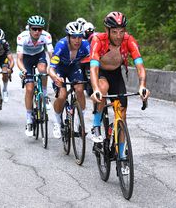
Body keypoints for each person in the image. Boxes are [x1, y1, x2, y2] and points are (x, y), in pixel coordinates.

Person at [90, 11, 151, 143]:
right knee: (103, 88)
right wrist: (95, 89)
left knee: (122, 116)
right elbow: (93, 67)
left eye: (121, 31)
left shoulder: (129, 40)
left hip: (116, 74)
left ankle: (122, 155)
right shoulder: (98, 40)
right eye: (114, 32)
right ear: (107, 30)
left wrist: (142, 86)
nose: (119, 36)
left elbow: (140, 66)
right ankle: (96, 125)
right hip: (101, 73)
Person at [48, 21, 90, 139]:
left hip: (73, 68)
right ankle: (57, 122)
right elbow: (51, 69)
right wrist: (56, 77)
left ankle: (80, 122)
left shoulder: (86, 45)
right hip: (59, 69)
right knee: (62, 95)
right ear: (68, 37)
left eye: (80, 37)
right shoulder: (61, 45)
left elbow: (95, 61)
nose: (77, 40)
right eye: (74, 37)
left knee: (80, 89)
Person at [17, 15, 54, 137]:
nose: (37, 31)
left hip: (39, 55)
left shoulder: (46, 36)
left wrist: (54, 68)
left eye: (39, 29)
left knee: (43, 70)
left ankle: (44, 94)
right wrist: (23, 70)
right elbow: (19, 59)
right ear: (29, 28)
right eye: (34, 29)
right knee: (29, 88)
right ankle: (28, 120)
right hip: (26, 59)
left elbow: (51, 54)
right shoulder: (22, 37)